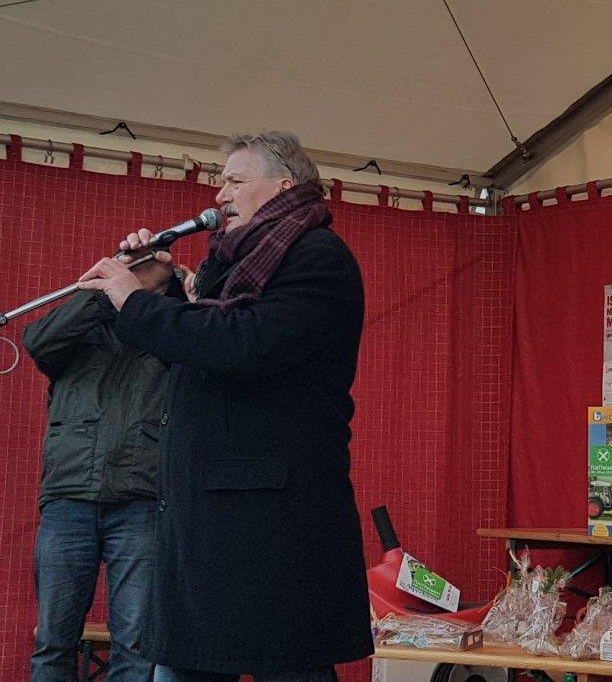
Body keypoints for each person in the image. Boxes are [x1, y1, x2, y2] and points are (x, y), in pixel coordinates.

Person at [75, 131, 372, 681]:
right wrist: (158, 290)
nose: (219, 194)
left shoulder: (316, 255)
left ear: (284, 185)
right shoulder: (231, 264)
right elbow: (201, 357)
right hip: (216, 516)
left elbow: (246, 344)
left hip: (273, 523)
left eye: (236, 180)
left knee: (288, 664)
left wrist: (136, 303)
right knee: (191, 662)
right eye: (220, 181)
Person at [23, 287, 167, 682]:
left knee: (136, 648)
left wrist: (163, 288)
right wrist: (107, 289)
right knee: (53, 642)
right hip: (68, 498)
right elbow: (36, 341)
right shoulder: (78, 328)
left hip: (142, 498)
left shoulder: (166, 324)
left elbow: (201, 346)